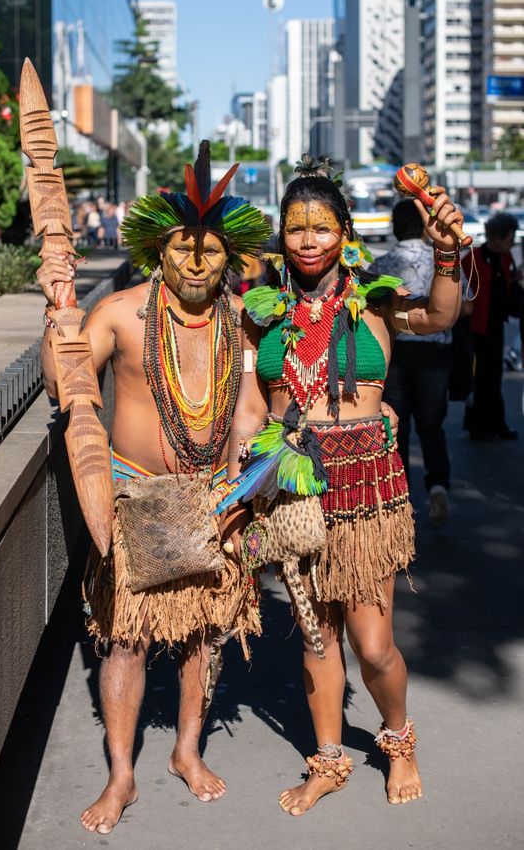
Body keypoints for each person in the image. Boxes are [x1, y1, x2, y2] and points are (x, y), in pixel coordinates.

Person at [219, 156, 466, 813]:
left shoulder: (374, 298)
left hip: (367, 489)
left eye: (320, 227)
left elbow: (441, 316)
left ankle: (398, 738)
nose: (305, 239)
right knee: (313, 636)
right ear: (280, 234)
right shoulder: (259, 312)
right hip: (292, 488)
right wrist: (242, 470)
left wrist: (444, 254)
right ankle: (327, 762)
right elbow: (249, 402)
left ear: (343, 232)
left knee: (374, 646)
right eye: (294, 227)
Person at [37, 141, 270, 835]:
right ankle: (121, 774)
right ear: (157, 251)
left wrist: (240, 484)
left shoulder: (240, 319)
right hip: (135, 496)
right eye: (183, 248)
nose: (196, 262)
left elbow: (253, 407)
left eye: (210, 251)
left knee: (204, 635)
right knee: (127, 642)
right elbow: (66, 387)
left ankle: (185, 751)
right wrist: (59, 329)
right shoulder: (119, 313)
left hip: (212, 497)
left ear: (230, 256)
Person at [372, 199, 473, 526]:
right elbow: (464, 308)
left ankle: (401, 497)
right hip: (435, 353)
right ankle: (438, 485)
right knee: (432, 426)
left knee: (396, 428)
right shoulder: (438, 258)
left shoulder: (380, 264)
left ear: (394, 226)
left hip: (396, 354)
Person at [462, 212, 519, 440]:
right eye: (509, 238)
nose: (512, 243)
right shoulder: (473, 258)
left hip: (495, 325)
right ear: (496, 237)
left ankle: (496, 423)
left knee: (494, 377)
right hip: (476, 328)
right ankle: (479, 426)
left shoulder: (506, 259)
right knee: (480, 378)